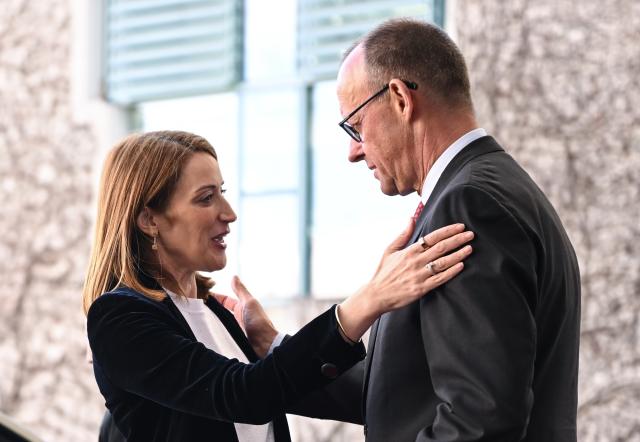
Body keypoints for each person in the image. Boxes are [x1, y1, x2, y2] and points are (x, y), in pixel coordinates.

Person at [232, 18, 581, 441]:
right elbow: (406, 393)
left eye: (355, 126)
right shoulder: (494, 188)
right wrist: (276, 348)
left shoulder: (469, 205)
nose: (353, 152)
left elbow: (479, 420)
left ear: (399, 98)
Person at [83, 130, 474, 442]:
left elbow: (281, 387)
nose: (229, 213)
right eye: (205, 199)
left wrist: (268, 341)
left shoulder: (218, 313)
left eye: (222, 191)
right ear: (149, 219)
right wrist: (367, 302)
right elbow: (245, 395)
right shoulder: (119, 317)